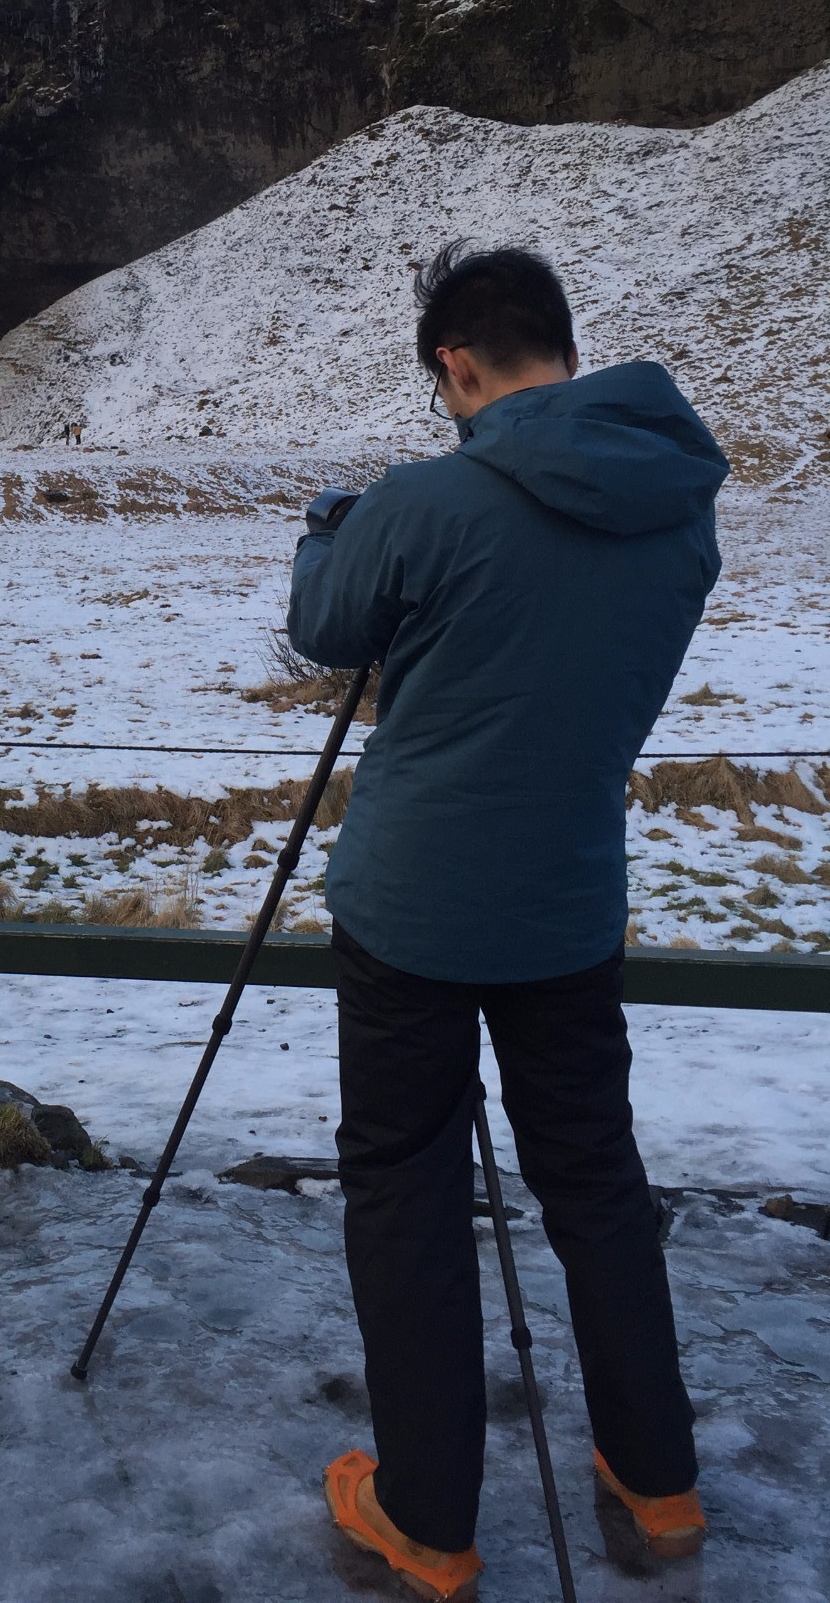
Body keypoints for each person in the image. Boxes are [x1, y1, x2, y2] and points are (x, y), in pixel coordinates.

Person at [288, 242, 725, 1597]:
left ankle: (427, 1518)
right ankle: (659, 1486)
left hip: (412, 906)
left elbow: (324, 627)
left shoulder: (429, 500)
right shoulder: (678, 508)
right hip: (569, 899)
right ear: (565, 350)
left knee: (406, 1189)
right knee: (596, 1184)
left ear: (456, 365)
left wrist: (330, 524)